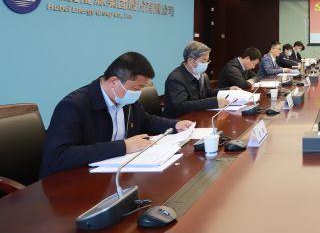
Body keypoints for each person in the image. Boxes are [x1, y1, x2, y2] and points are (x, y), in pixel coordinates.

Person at [40, 52, 194, 178]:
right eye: (136, 88)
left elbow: (145, 120)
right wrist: (123, 146)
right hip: (73, 183)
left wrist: (174, 124)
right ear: (114, 81)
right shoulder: (73, 106)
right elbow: (58, 156)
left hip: (114, 174)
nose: (138, 94)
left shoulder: (124, 99)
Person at [163, 41, 231, 118]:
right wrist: (214, 102)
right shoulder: (175, 79)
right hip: (178, 120)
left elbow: (207, 93)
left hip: (197, 116)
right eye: (204, 60)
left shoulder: (202, 75)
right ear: (191, 61)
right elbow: (181, 106)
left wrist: (228, 90)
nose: (206, 64)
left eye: (207, 60)